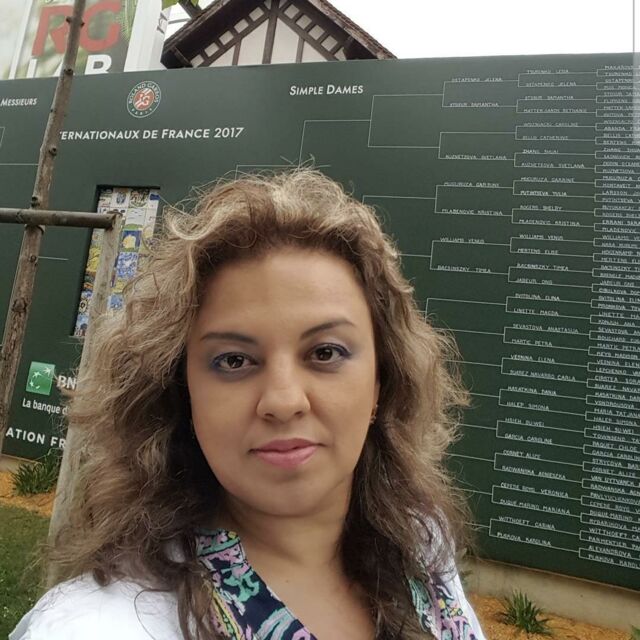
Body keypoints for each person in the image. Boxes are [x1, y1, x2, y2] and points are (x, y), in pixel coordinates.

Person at [11, 169, 486, 640]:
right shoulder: (100, 626)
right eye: (234, 360)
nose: (283, 401)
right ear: (181, 392)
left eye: (325, 353)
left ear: (382, 382)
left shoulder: (421, 545)